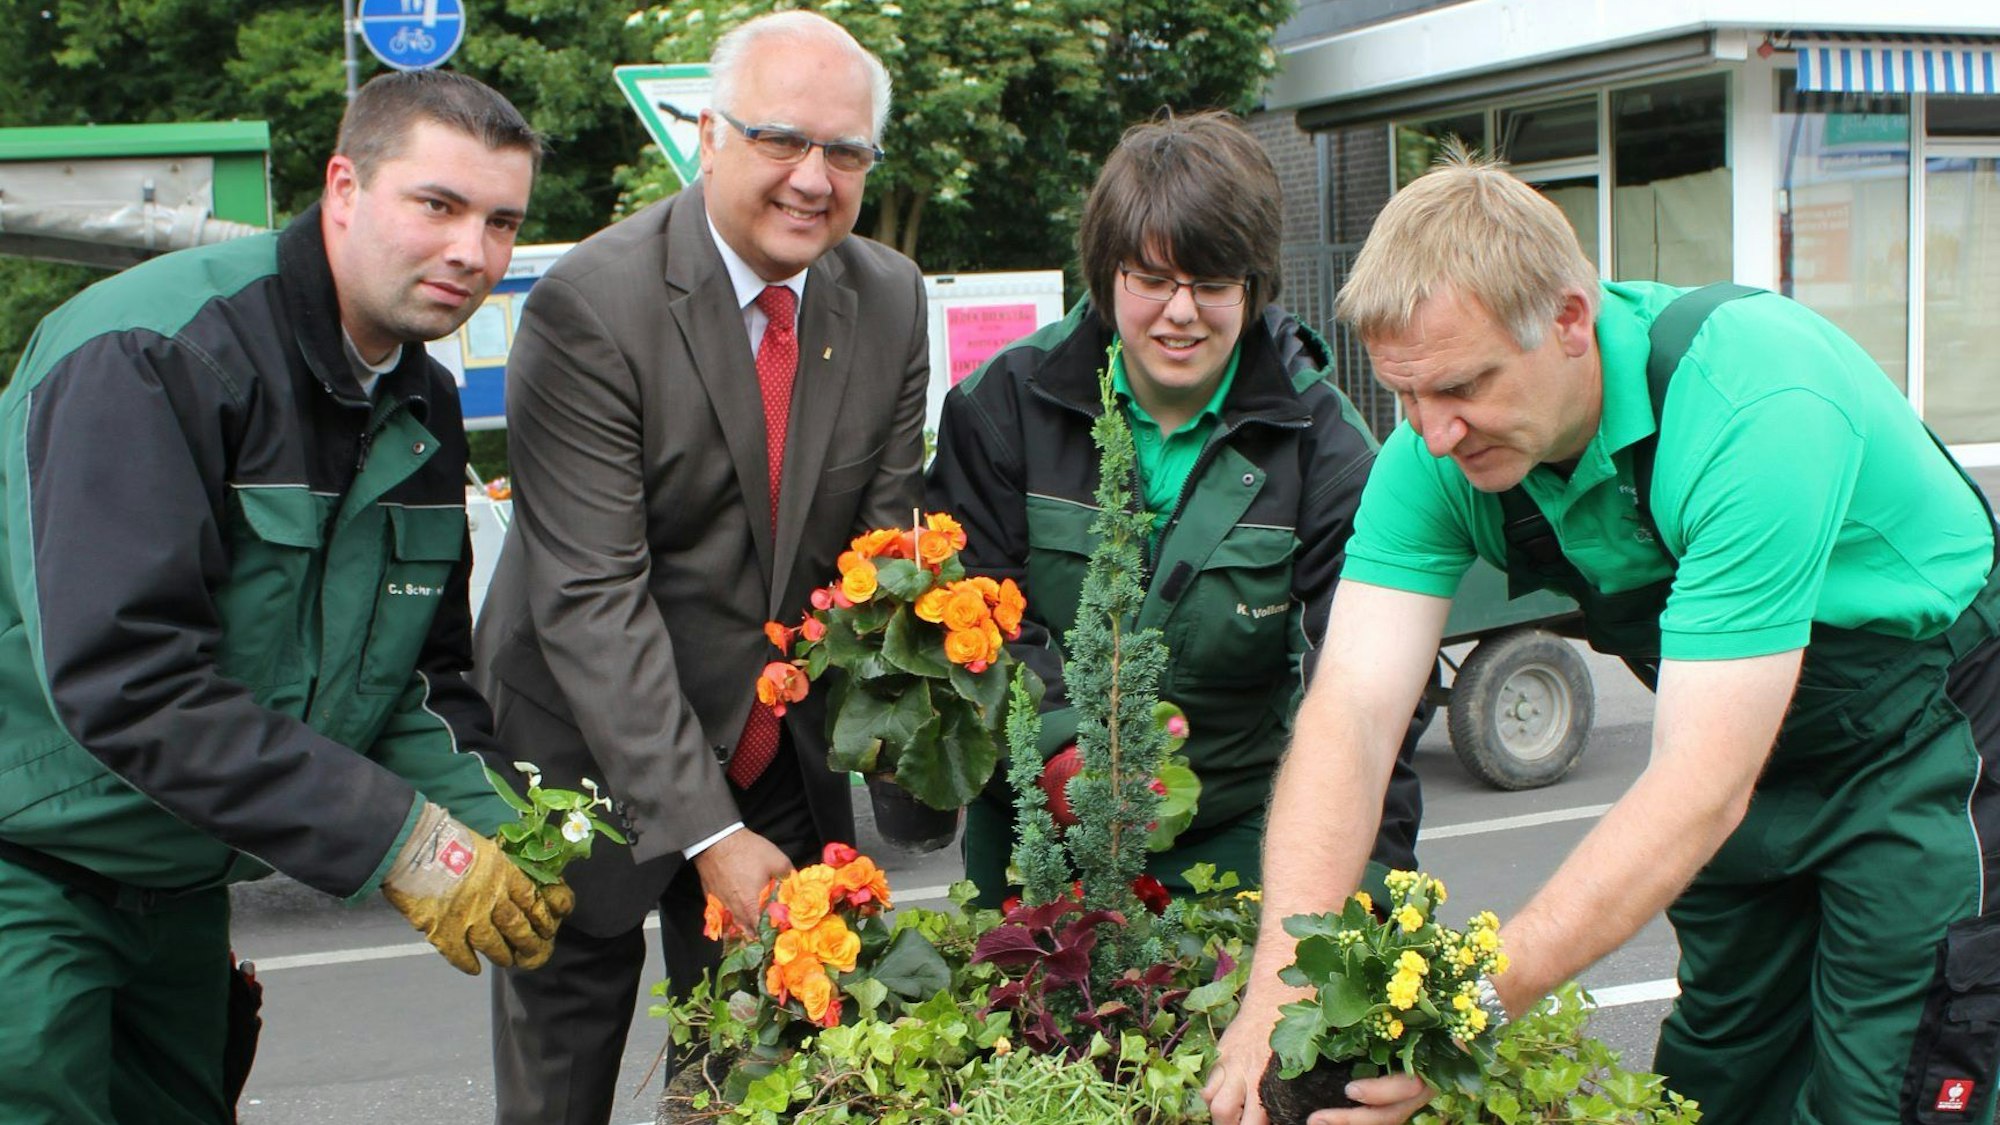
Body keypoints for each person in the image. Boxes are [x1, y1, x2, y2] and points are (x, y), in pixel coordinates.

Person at [1203, 149, 2000, 1125]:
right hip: (1749, 751)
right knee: (1716, 1082)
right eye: (1405, 395)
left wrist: (1477, 999)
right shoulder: (1436, 452)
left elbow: (1697, 784)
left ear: (1569, 321)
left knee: (1888, 1091)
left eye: (1460, 386)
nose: (1432, 433)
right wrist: (1275, 987)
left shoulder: (1753, 402)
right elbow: (1353, 712)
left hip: (1926, 749)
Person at [0, 70, 569, 1125]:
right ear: (343, 186)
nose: (471, 253)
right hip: (26, 876)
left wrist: (512, 839)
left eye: (501, 222)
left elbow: (417, 680)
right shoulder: (153, 353)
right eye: (436, 205)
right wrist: (406, 845)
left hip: (177, 889)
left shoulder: (419, 397)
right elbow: (127, 683)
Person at [471, 12, 927, 1124]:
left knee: (750, 1080)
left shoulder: (889, 297)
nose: (813, 179)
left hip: (769, 740)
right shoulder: (594, 303)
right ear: (707, 137)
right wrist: (706, 831)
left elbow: (877, 560)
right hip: (580, 741)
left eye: (846, 152)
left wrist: (916, 749)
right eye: (780, 140)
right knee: (561, 1072)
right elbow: (589, 594)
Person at [926, 111, 1424, 908]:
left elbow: (1367, 688)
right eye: (1151, 279)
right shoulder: (1000, 407)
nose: (1180, 312)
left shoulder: (1328, 447)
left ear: (1254, 288)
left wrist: (1370, 890)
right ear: (1106, 275)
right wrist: (1064, 754)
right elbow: (968, 620)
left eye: (1212, 284)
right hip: (1035, 831)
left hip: (1233, 835)